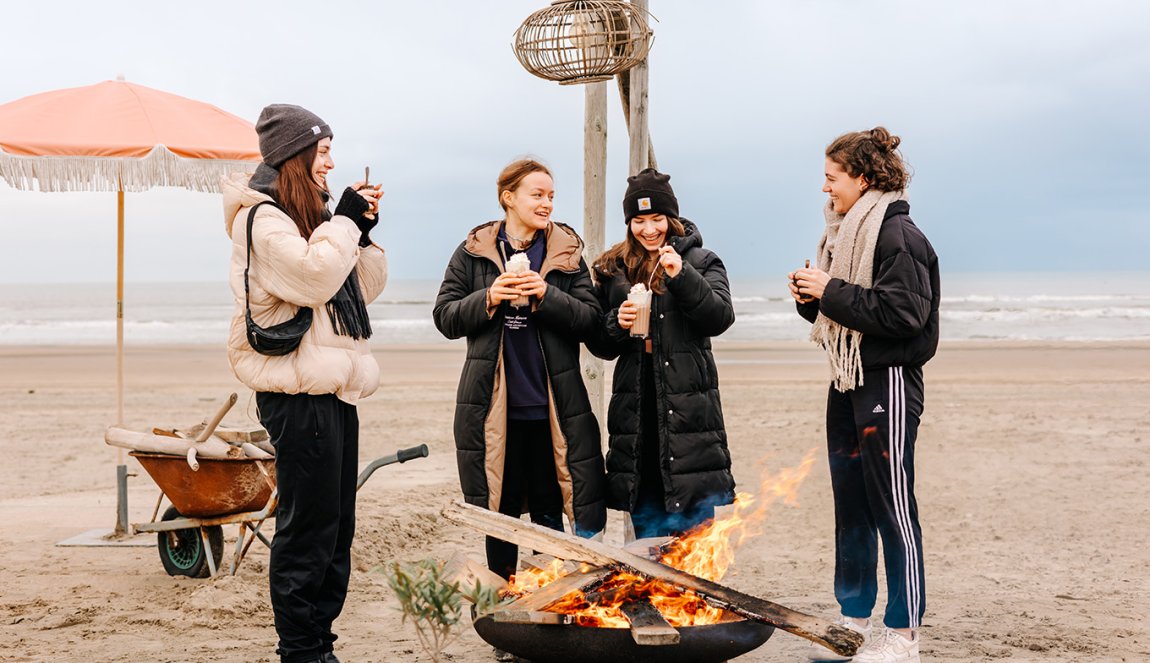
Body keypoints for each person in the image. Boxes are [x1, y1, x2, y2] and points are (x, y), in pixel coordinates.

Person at [223, 104, 387, 663]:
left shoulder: (314, 218)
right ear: (294, 156)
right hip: (296, 392)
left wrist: (359, 230)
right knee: (308, 527)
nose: (331, 163)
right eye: (322, 153)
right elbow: (316, 278)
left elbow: (364, 288)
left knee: (337, 526)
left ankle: (320, 641)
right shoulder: (263, 219)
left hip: (333, 386)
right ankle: (299, 648)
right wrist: (341, 224)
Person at [789, 127, 939, 663]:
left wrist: (830, 290)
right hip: (847, 378)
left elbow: (904, 316)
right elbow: (848, 311)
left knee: (892, 506)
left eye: (832, 178)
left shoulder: (898, 235)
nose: (825, 189)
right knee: (851, 504)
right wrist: (813, 297)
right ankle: (853, 623)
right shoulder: (844, 234)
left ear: (864, 177)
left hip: (889, 381)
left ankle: (903, 635)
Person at [432, 158, 608, 585]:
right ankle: (505, 600)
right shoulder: (473, 252)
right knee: (502, 512)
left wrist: (547, 295)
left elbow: (591, 321)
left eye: (551, 195)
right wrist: (489, 296)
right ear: (508, 197)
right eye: (537, 194)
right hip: (494, 412)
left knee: (550, 509)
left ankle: (549, 599)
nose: (547, 203)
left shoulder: (565, 253)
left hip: (552, 409)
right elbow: (445, 317)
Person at [588, 168, 736, 539]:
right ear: (629, 223)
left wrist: (682, 275)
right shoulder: (612, 269)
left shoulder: (702, 261)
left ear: (671, 219)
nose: (649, 229)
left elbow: (720, 317)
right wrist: (614, 324)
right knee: (648, 524)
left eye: (657, 219)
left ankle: (692, 596)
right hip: (636, 407)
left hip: (689, 410)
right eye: (639, 220)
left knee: (694, 532)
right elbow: (600, 346)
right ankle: (652, 596)